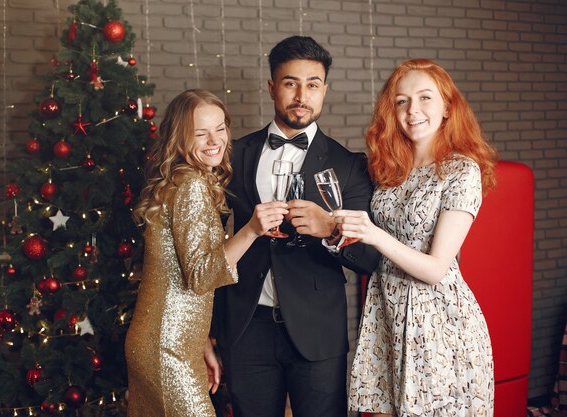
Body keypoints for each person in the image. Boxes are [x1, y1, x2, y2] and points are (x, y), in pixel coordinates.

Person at [210, 36, 381, 417]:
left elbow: (369, 259)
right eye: (290, 83)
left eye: (313, 84)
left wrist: (330, 230)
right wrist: (206, 331)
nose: (302, 95)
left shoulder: (350, 165)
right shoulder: (232, 155)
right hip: (244, 327)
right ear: (272, 87)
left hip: (318, 330)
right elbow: (206, 247)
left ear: (324, 90)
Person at [333, 59, 498, 416]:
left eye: (425, 98)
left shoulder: (461, 170)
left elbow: (437, 269)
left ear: (447, 108)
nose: (413, 110)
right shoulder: (390, 168)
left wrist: (373, 234)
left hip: (436, 320)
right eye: (402, 101)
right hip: (385, 313)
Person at [125, 89, 287, 417]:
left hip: (168, 342)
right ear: (180, 138)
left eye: (220, 129)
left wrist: (202, 344)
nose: (214, 140)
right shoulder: (192, 186)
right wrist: (252, 229)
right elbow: (199, 275)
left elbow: (172, 272)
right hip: (167, 349)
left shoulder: (183, 180)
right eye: (201, 133)